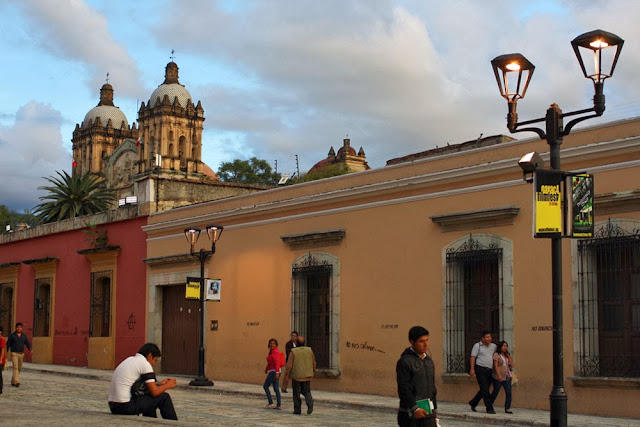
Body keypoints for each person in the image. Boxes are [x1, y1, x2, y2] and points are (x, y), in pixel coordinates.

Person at [107, 343, 178, 420]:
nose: (154, 364)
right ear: (150, 355)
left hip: (113, 406)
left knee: (150, 400)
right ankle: (173, 423)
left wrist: (159, 384)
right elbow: (154, 392)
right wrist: (168, 385)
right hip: (125, 406)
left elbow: (143, 385)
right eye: (155, 360)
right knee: (164, 397)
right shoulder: (145, 364)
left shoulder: (130, 359)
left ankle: (150, 422)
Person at [396, 326, 438, 427]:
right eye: (421, 341)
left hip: (428, 413)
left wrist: (434, 410)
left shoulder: (428, 361)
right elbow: (404, 388)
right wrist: (415, 408)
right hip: (410, 414)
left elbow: (432, 387)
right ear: (412, 342)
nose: (425, 344)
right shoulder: (405, 362)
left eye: (427, 340)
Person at [283, 336, 316, 415]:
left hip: (297, 376)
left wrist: (287, 373)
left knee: (296, 393)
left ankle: (297, 409)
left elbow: (289, 365)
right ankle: (310, 403)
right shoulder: (309, 350)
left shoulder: (293, 352)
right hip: (307, 375)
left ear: (296, 343)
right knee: (306, 391)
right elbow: (314, 362)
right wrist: (312, 371)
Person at [468, 330, 497, 414]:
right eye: (487, 337)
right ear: (482, 338)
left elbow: (500, 353)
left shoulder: (493, 346)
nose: (489, 339)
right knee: (485, 389)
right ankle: (489, 408)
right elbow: (473, 357)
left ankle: (473, 402)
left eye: (490, 337)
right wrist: (472, 369)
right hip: (480, 369)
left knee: (484, 389)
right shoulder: (477, 346)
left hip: (490, 370)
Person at [490, 340, 515, 414]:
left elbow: (511, 363)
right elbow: (496, 366)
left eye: (506, 346)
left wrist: (508, 355)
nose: (505, 347)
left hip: (507, 376)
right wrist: (498, 375)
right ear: (500, 346)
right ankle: (489, 404)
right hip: (498, 376)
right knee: (496, 391)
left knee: (509, 392)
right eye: (504, 346)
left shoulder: (506, 355)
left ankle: (507, 408)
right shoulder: (496, 355)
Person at [6, 322, 32, 387]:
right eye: (17, 327)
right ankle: (17, 381)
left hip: (21, 354)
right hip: (14, 353)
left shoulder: (24, 336)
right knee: (15, 367)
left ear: (22, 328)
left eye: (20, 327)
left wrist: (30, 349)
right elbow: (8, 344)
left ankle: (13, 381)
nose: (18, 328)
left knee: (19, 368)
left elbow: (27, 342)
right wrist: (5, 352)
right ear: (15, 328)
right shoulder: (12, 335)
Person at [263, 338, 283, 409]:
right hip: (274, 371)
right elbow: (270, 362)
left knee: (265, 386)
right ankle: (279, 405)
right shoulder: (271, 352)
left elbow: (277, 363)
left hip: (274, 371)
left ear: (276, 345)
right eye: (271, 343)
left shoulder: (275, 352)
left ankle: (271, 402)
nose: (272, 345)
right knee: (276, 388)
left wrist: (277, 372)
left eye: (274, 343)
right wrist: (266, 369)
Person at [0, 326, 6, 394]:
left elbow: (3, 350)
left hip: (1, 360)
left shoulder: (2, 339)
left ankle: (0, 389)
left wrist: (1, 359)